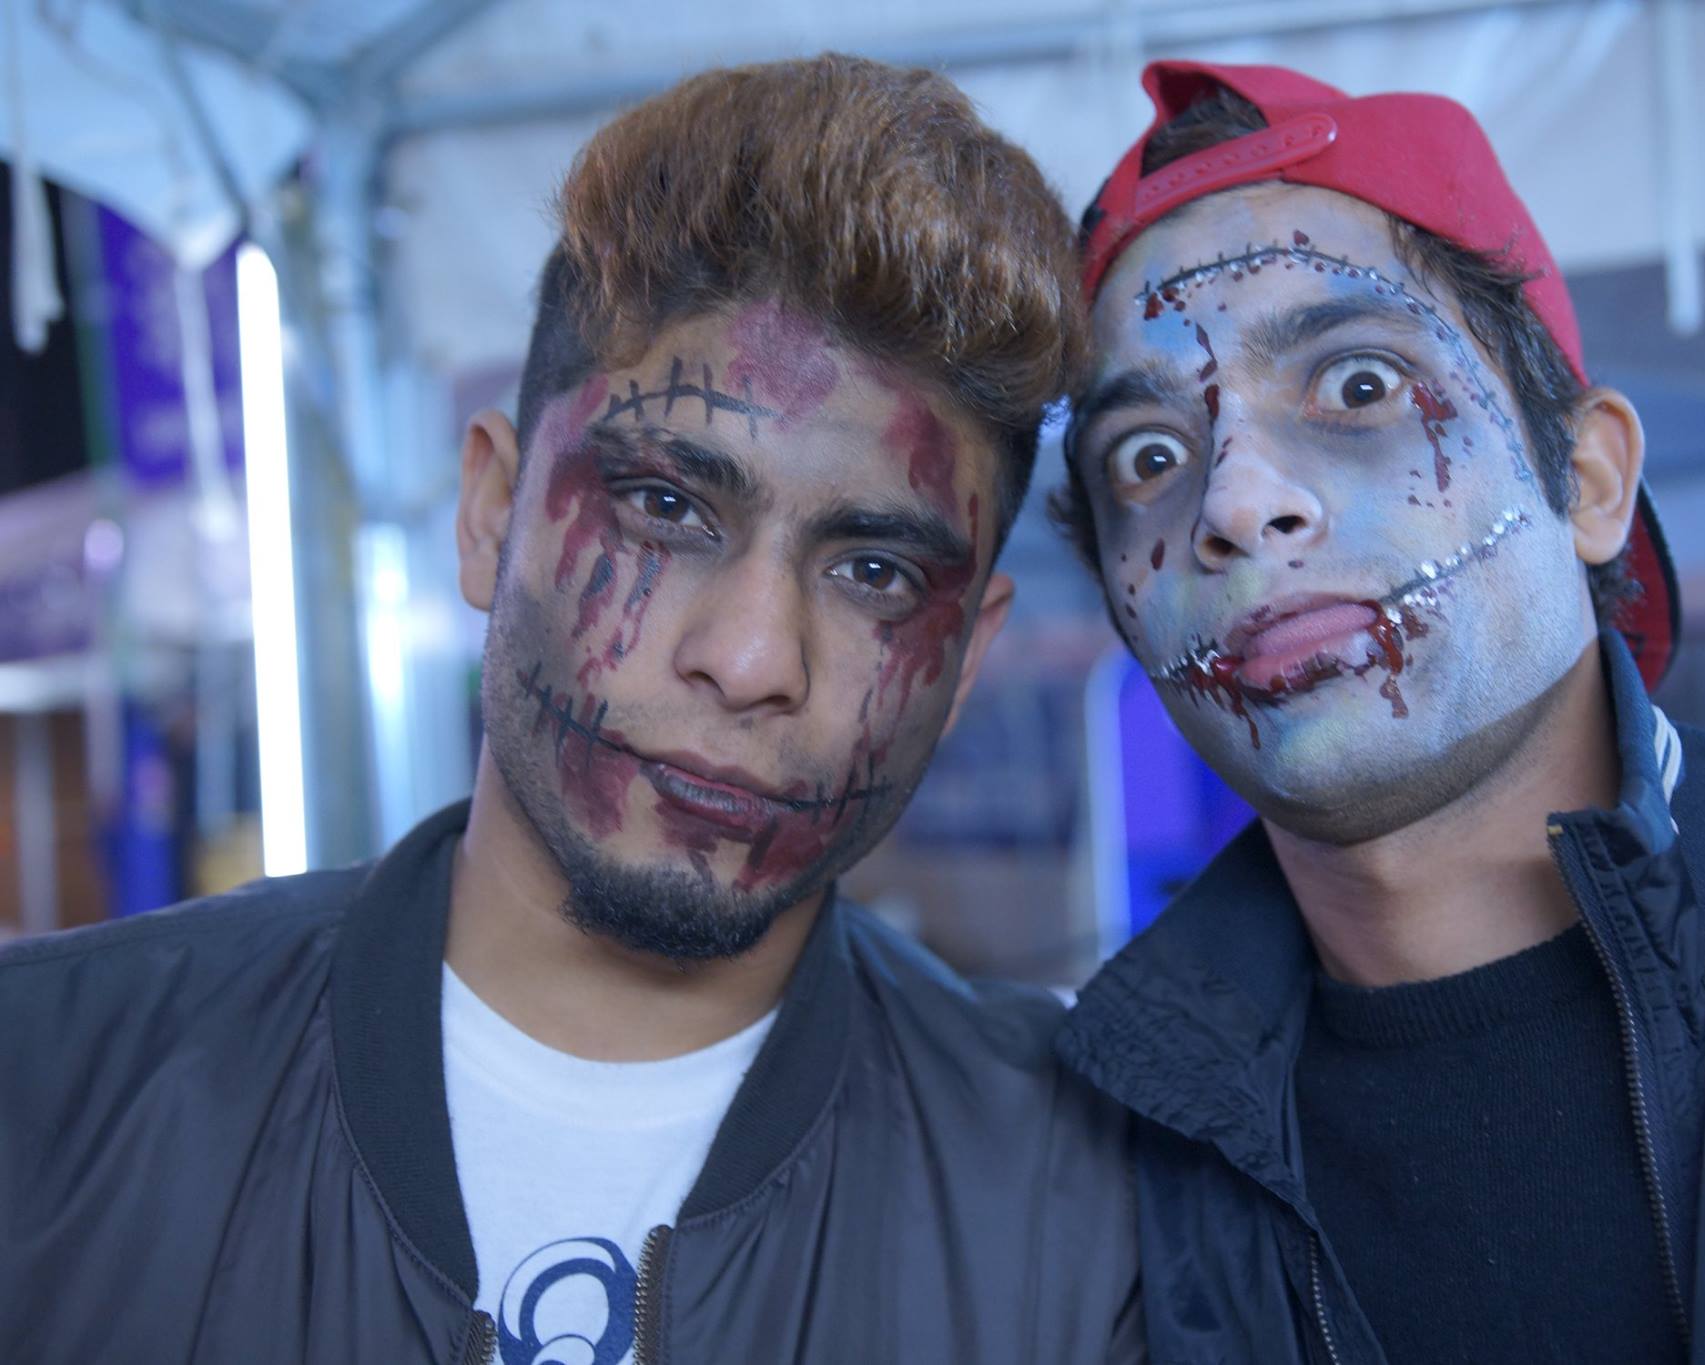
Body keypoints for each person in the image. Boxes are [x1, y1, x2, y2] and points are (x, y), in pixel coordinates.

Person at [0, 56, 1142, 1365]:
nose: (752, 660)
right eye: (667, 508)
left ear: (967, 658)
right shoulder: (44, 1091)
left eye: (875, 574)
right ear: (491, 515)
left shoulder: (1086, 1207)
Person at [1051, 60, 1705, 1364]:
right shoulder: (1093, 1169)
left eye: (1359, 387)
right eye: (1148, 457)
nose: (1235, 503)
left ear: (1587, 479)